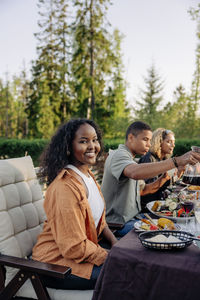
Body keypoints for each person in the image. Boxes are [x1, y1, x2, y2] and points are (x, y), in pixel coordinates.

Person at [32, 118, 117, 290]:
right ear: (68, 147)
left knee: (138, 256)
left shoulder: (88, 176)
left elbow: (100, 223)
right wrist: (111, 256)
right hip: (55, 264)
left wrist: (116, 245)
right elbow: (74, 247)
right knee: (130, 273)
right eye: (83, 141)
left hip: (84, 252)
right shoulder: (64, 187)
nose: (92, 146)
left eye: (94, 140)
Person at [101, 121, 200, 236]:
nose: (149, 144)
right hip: (117, 225)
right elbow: (134, 172)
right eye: (145, 139)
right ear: (131, 137)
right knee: (171, 233)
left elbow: (144, 190)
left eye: (150, 140)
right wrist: (176, 161)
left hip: (136, 218)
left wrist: (164, 178)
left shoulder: (129, 160)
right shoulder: (118, 155)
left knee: (179, 222)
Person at [138, 128, 182, 211]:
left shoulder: (164, 159)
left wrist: (180, 172)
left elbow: (166, 185)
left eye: (174, 142)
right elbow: (149, 190)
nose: (173, 145)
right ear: (159, 142)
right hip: (148, 208)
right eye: (169, 142)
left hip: (159, 204)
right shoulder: (149, 159)